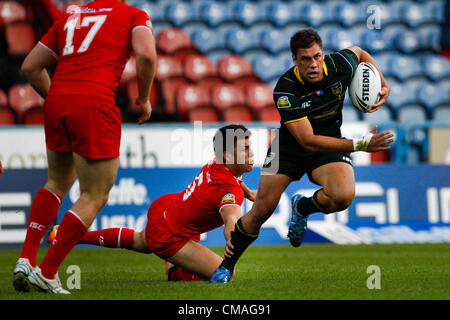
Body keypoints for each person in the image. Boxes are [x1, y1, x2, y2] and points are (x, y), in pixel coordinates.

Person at [210, 28, 394, 283]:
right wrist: (361, 144)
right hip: (286, 148)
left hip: (328, 144)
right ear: (294, 60)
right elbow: (307, 141)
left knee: (342, 196)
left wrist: (383, 83)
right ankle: (226, 266)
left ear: (323, 54)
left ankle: (302, 206)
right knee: (261, 210)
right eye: (305, 59)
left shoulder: (340, 64)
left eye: (317, 56)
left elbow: (360, 52)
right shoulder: (285, 90)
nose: (313, 64)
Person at [13, 0, 156, 294]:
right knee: (95, 194)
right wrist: (143, 99)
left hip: (58, 102)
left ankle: (26, 260)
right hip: (94, 102)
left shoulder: (71, 17)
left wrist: (61, 98)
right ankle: (47, 271)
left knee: (56, 182)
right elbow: (147, 54)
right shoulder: (133, 14)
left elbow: (30, 66)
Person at [50, 124, 256, 281]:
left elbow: (232, 183)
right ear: (227, 155)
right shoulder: (229, 190)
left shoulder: (219, 163)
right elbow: (231, 215)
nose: (252, 153)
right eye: (245, 149)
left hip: (166, 208)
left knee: (140, 241)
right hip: (171, 235)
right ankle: (175, 271)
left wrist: (248, 193)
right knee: (228, 273)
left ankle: (68, 234)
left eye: (250, 147)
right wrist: (233, 239)